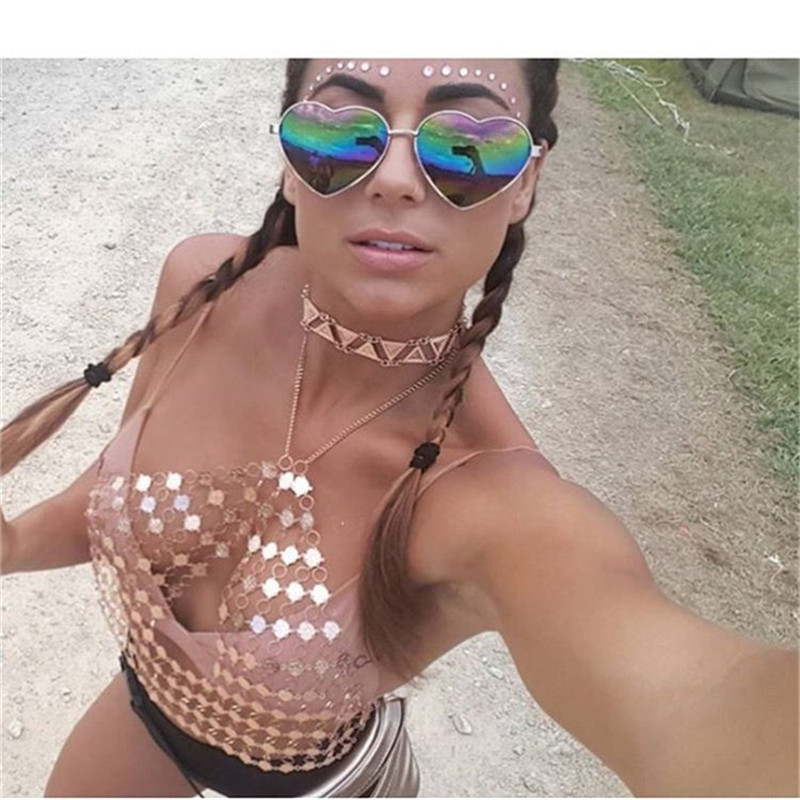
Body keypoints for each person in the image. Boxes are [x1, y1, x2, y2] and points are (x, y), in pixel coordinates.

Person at [0, 58, 797, 798]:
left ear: (526, 182)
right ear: (288, 159)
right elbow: (110, 494)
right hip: (147, 710)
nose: (393, 179)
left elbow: (702, 706)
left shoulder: (498, 502)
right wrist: (13, 544)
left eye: (467, 149)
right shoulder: (204, 287)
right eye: (341, 134)